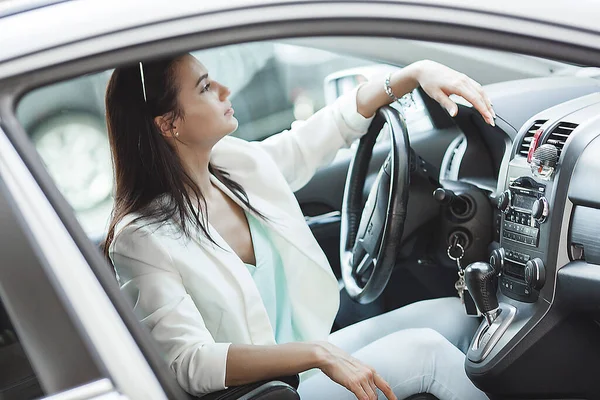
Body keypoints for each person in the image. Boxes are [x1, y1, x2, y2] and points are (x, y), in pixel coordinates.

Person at [104, 52, 494, 399]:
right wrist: (315, 354)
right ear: (169, 123)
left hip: (309, 361)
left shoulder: (232, 164)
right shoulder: (141, 238)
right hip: (268, 391)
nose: (224, 90)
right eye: (205, 87)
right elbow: (189, 363)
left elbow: (323, 132)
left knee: (457, 317)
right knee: (427, 352)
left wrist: (413, 72)